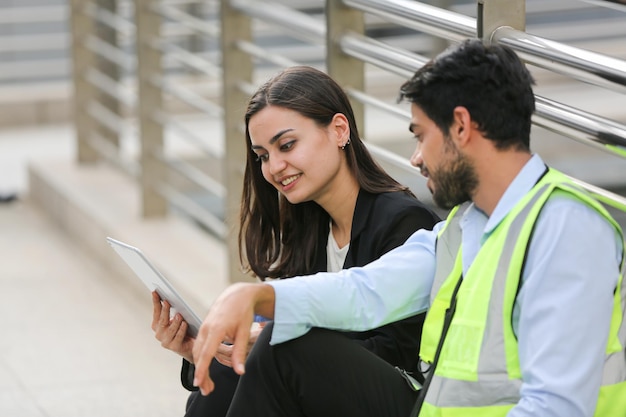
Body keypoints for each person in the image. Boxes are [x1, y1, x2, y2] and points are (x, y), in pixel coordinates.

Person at [190, 39, 626, 417]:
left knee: (279, 352)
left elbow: (556, 406)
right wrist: (259, 296)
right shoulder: (463, 226)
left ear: (461, 126)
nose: (416, 158)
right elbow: (366, 291)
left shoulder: (567, 229)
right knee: (275, 350)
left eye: (420, 135)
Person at [151, 65, 440, 417]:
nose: (274, 167)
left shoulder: (404, 221)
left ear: (338, 130)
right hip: (322, 387)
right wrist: (204, 348)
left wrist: (286, 334)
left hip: (403, 401)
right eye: (263, 156)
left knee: (274, 343)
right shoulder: (308, 225)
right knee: (238, 357)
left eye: (287, 145)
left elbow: (404, 354)